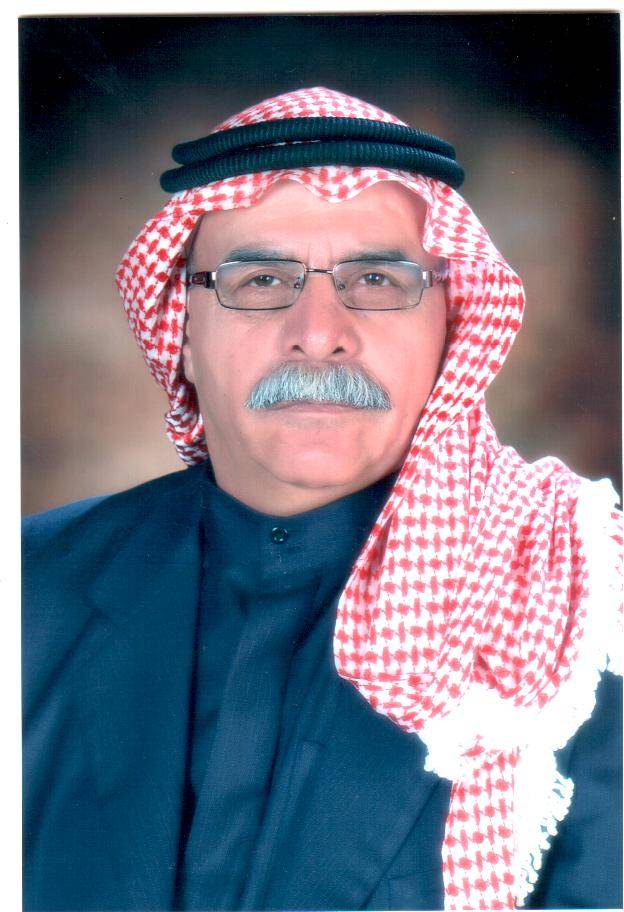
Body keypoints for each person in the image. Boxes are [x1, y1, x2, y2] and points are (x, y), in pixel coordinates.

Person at [22, 87, 622, 912]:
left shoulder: (581, 608)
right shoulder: (29, 591)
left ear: (453, 329)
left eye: (376, 279)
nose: (318, 331)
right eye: (260, 278)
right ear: (182, 330)